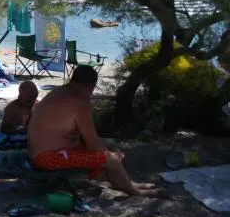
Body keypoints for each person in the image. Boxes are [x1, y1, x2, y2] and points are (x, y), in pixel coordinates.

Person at [28, 65, 163, 197]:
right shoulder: (80, 102)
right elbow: (93, 143)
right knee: (111, 159)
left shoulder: (60, 92)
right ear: (92, 85)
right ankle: (134, 191)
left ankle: (127, 184)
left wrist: (106, 149)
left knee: (107, 153)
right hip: (48, 157)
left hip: (38, 152)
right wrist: (111, 154)